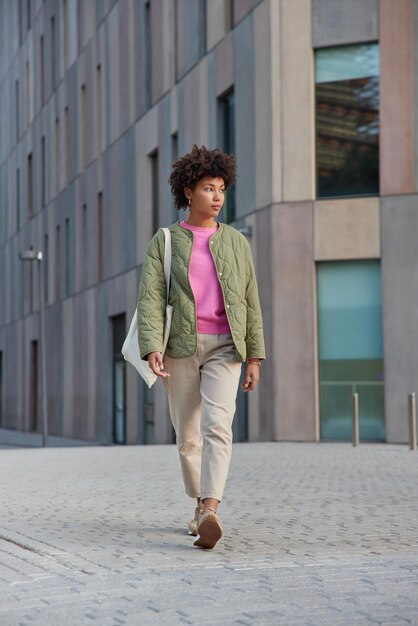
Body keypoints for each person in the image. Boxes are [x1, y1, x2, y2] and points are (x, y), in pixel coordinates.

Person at [136, 145, 265, 549]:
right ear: (188, 191)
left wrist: (255, 355)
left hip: (227, 346)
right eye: (209, 188)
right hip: (180, 347)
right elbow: (151, 298)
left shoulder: (237, 243)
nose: (217, 197)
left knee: (217, 426)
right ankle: (198, 504)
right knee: (188, 436)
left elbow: (250, 299)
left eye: (222, 188)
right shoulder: (165, 242)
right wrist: (151, 347)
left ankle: (211, 508)